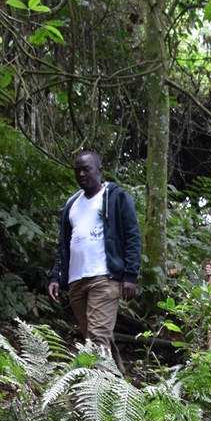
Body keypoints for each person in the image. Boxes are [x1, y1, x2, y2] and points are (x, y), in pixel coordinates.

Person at [47, 151, 141, 372]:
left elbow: (132, 236)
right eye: (77, 170)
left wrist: (130, 274)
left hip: (105, 277)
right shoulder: (72, 204)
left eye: (86, 169)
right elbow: (64, 245)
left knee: (97, 338)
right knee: (94, 338)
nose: (81, 174)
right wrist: (56, 276)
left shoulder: (115, 196)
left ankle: (98, 396)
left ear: (99, 170)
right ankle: (120, 387)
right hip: (76, 280)